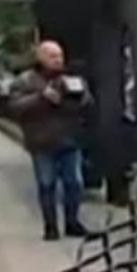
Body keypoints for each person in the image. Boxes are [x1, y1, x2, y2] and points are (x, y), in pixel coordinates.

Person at [10, 41, 94, 240]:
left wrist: (78, 98)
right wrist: (41, 98)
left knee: (74, 183)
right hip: (42, 142)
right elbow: (14, 107)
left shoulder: (72, 79)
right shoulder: (26, 81)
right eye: (52, 56)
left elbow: (89, 104)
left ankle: (72, 222)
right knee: (46, 184)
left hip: (69, 139)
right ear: (40, 57)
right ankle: (50, 226)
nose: (58, 60)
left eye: (60, 56)